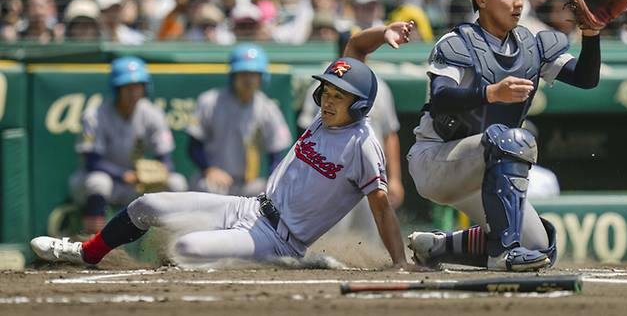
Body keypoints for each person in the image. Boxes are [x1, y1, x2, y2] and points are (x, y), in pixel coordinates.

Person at [31, 51, 411, 269]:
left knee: (186, 249)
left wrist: (398, 265)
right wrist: (382, 34)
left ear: (359, 105)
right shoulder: (322, 119)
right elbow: (354, 50)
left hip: (281, 240)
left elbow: (382, 211)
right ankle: (86, 252)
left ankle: (300, 263)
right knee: (146, 204)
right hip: (249, 206)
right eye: (326, 91)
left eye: (338, 95)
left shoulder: (363, 145)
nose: (327, 99)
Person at [396, 0, 602, 271]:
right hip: (438, 159)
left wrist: (591, 35)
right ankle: (502, 254)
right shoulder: (458, 41)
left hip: (488, 167)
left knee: (538, 248)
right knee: (513, 141)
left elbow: (586, 78)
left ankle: (436, 247)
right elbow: (441, 99)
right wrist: (490, 93)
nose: (518, 2)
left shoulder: (533, 44)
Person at [298, 29, 407, 242]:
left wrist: (395, 179)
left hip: (369, 174)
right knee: (328, 243)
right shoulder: (323, 86)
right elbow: (306, 134)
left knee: (372, 241)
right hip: (331, 175)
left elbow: (389, 134)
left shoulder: (379, 87)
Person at [68, 56, 188, 233]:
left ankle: (170, 247)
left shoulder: (152, 113)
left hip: (137, 183)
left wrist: (160, 172)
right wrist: (123, 175)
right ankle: (92, 245)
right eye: (128, 88)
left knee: (177, 183)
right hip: (100, 181)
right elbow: (92, 161)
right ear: (116, 89)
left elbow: (165, 158)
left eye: (138, 87)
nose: (134, 93)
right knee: (99, 182)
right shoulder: (95, 115)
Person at [186, 44, 291, 196]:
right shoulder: (210, 101)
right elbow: (193, 146)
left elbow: (275, 154)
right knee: (206, 188)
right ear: (233, 75)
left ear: (262, 77)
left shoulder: (268, 109)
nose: (248, 80)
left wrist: (271, 184)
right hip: (214, 178)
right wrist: (209, 169)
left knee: (272, 193)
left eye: (253, 74)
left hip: (248, 184)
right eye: (243, 74)